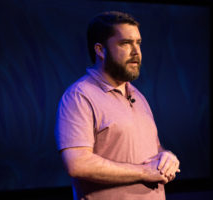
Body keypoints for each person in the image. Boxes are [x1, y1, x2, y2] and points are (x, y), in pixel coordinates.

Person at [55, 11, 180, 200]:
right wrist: (144, 172)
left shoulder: (137, 95)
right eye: (125, 43)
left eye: (138, 43)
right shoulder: (79, 96)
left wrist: (166, 157)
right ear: (100, 50)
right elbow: (77, 163)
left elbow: (151, 149)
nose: (136, 52)